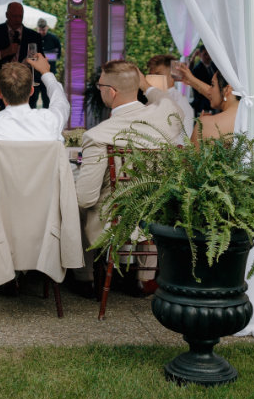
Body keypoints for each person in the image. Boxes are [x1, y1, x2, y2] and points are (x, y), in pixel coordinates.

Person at [73, 59, 184, 298]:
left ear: (110, 92)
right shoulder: (166, 118)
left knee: (76, 201)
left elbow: (85, 198)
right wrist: (146, 85)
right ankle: (143, 279)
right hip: (154, 214)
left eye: (100, 85)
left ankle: (86, 278)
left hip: (113, 219)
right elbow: (167, 101)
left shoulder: (98, 135)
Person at [0, 54, 69, 141]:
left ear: (0, 93)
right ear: (31, 91)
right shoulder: (50, 121)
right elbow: (61, 102)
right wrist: (46, 72)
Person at [0, 2, 42, 110]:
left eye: (20, 16)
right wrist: (2, 53)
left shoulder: (33, 36)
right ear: (7, 15)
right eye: (14, 16)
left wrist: (31, 63)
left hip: (24, 89)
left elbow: (40, 60)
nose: (17, 19)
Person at [146, 54, 194, 139]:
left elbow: (186, 136)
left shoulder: (179, 101)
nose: (152, 78)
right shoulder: (151, 98)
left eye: (157, 74)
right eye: (151, 75)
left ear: (172, 76)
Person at [35, 18, 62, 109]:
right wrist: (47, 55)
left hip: (49, 73)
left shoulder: (54, 39)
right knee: (33, 98)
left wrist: (42, 56)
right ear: (37, 29)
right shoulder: (33, 38)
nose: (42, 32)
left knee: (47, 99)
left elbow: (57, 56)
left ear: (47, 28)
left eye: (43, 29)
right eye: (40, 30)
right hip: (35, 74)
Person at [189, 47, 218, 116]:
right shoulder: (197, 69)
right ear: (200, 55)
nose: (208, 56)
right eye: (205, 54)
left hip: (215, 101)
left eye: (209, 54)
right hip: (202, 104)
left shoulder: (214, 66)